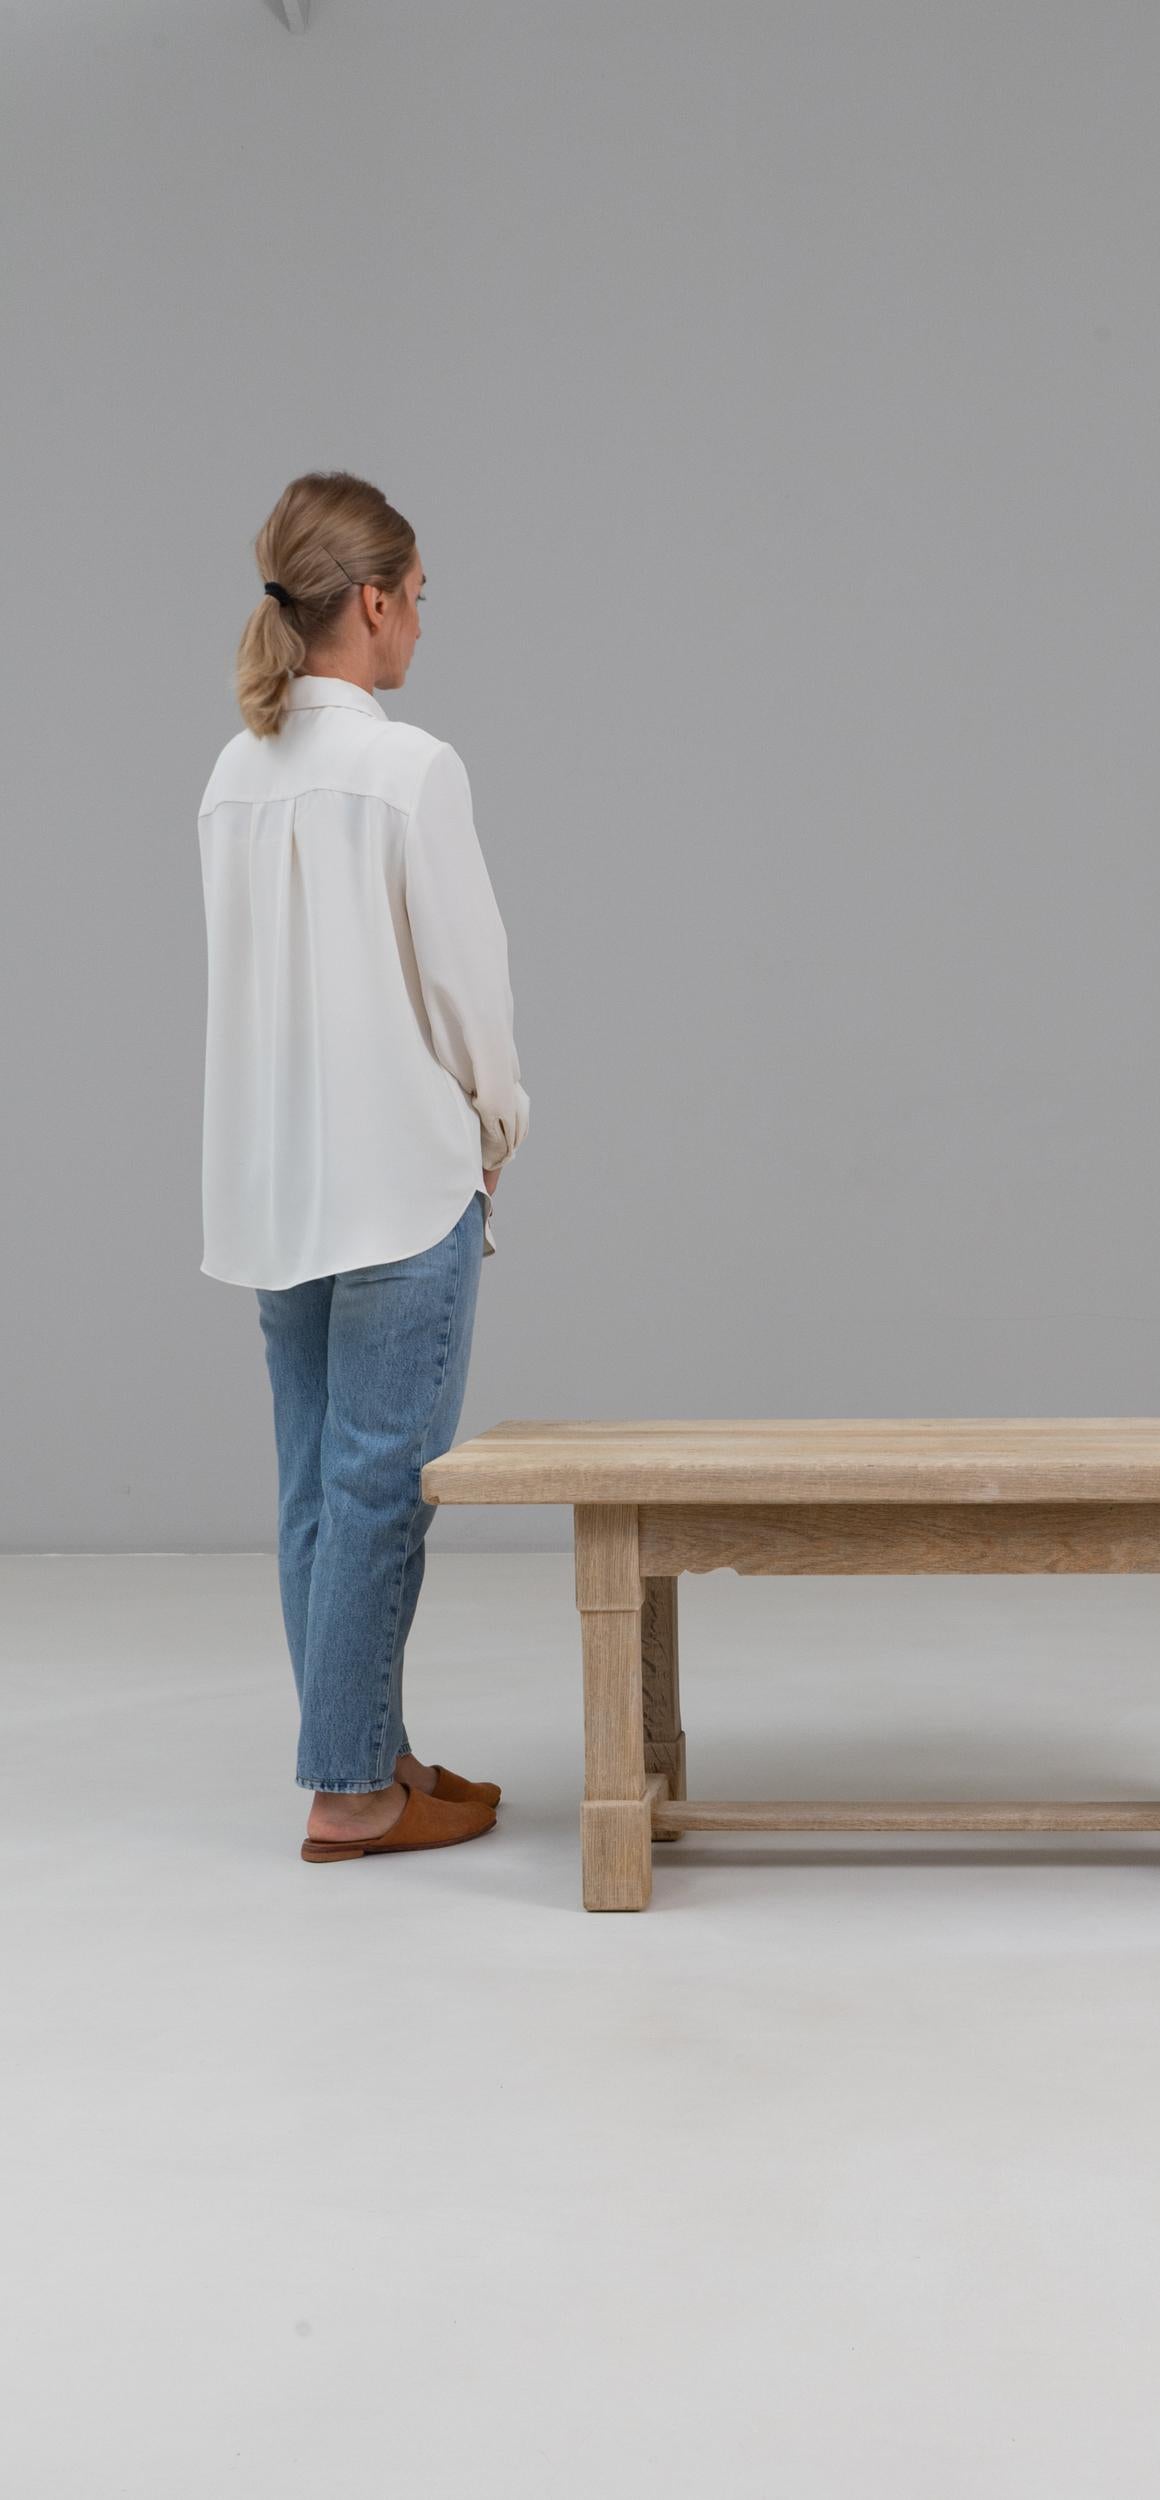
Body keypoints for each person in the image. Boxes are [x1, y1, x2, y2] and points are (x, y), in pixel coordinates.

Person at [199, 469, 529, 1866]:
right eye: (419, 599)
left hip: (276, 1183)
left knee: (314, 1485)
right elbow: (468, 992)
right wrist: (496, 1126)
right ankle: (351, 1792)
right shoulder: (410, 769)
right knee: (380, 1483)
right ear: (377, 602)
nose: (419, 627)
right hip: (397, 1176)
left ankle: (366, 1752)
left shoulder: (235, 771)